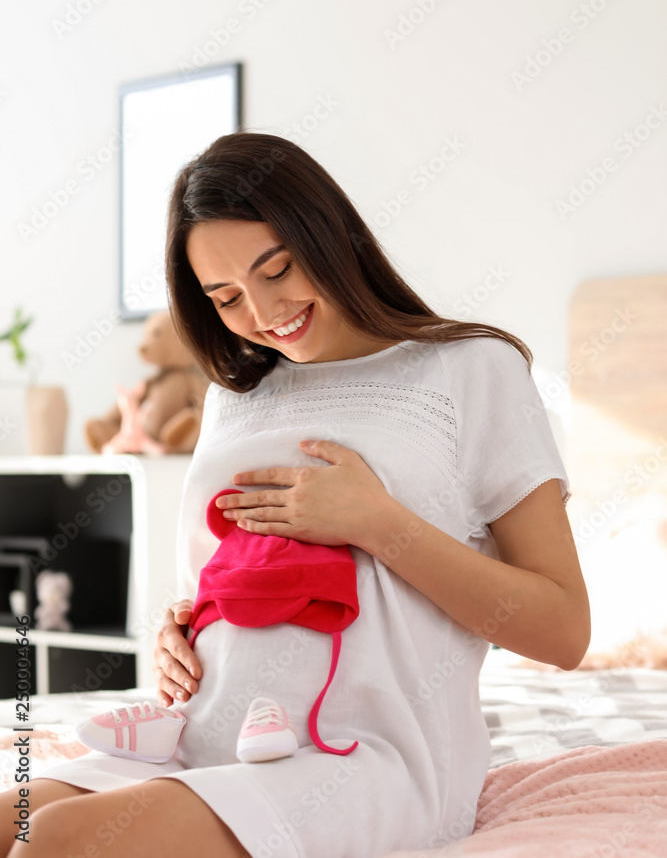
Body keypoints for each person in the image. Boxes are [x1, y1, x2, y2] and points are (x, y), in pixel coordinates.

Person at [0, 132, 590, 858]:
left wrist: (377, 524)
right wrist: (176, 633)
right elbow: (214, 586)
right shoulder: (232, 397)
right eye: (225, 297)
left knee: (63, 839)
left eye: (275, 269)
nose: (262, 311)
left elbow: (562, 631)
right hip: (203, 735)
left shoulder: (471, 370)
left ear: (328, 233)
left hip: (360, 759)